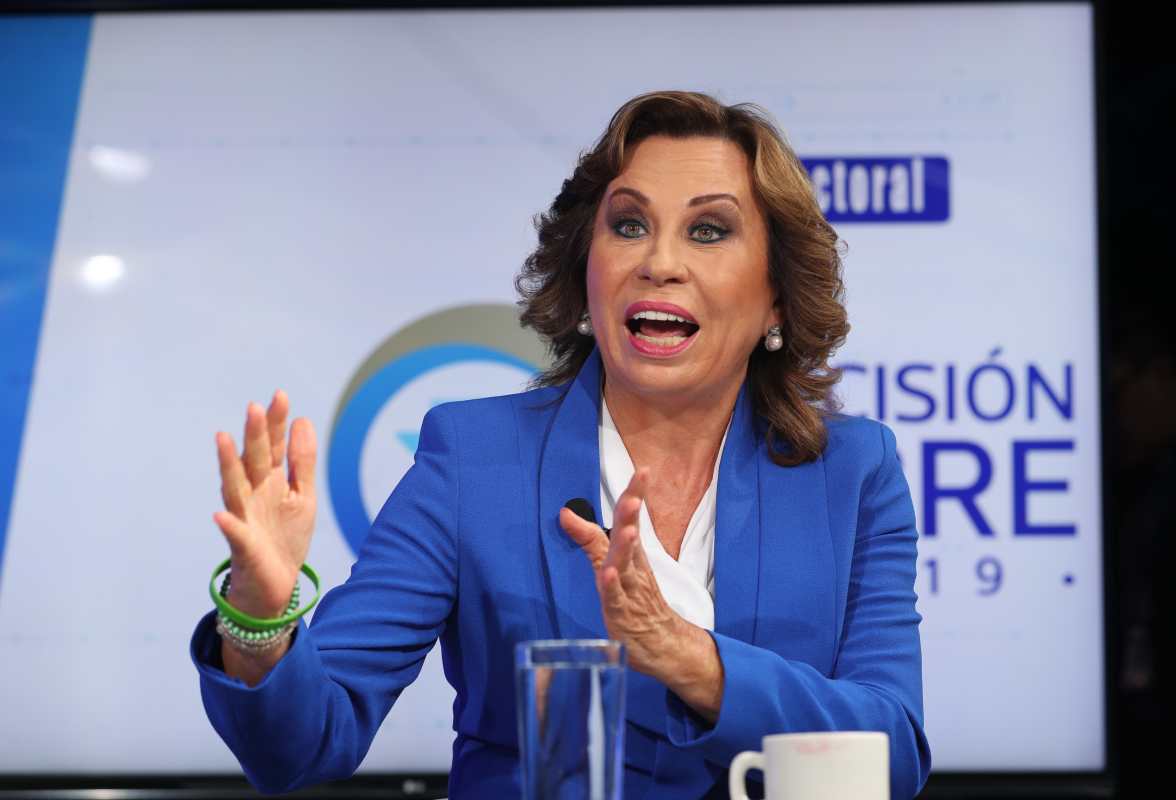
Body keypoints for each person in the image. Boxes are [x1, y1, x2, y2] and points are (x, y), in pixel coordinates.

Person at [190, 90, 932, 799]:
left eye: (708, 230)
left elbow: (890, 753)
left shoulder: (852, 472)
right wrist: (259, 619)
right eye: (629, 225)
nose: (659, 262)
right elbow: (299, 747)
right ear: (585, 276)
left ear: (777, 297)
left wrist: (689, 658)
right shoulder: (475, 460)